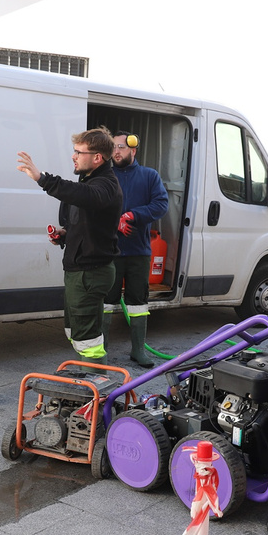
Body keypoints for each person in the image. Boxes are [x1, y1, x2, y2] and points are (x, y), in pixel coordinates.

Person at [17, 127, 123, 366]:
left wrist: (42, 178)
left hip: (90, 273)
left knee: (88, 343)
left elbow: (85, 195)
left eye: (78, 152)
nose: (73, 156)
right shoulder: (88, 182)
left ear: (97, 158)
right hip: (80, 271)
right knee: (77, 335)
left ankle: (97, 392)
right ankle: (86, 385)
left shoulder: (105, 185)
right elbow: (85, 222)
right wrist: (64, 235)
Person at [103, 131, 169, 367]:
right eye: (113, 147)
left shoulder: (149, 176)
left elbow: (161, 204)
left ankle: (138, 350)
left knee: (138, 304)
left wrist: (133, 215)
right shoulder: (106, 176)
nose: (117, 151)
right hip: (110, 251)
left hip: (139, 252)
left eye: (121, 147)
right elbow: (94, 206)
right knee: (106, 302)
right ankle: (102, 351)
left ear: (133, 149)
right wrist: (115, 220)